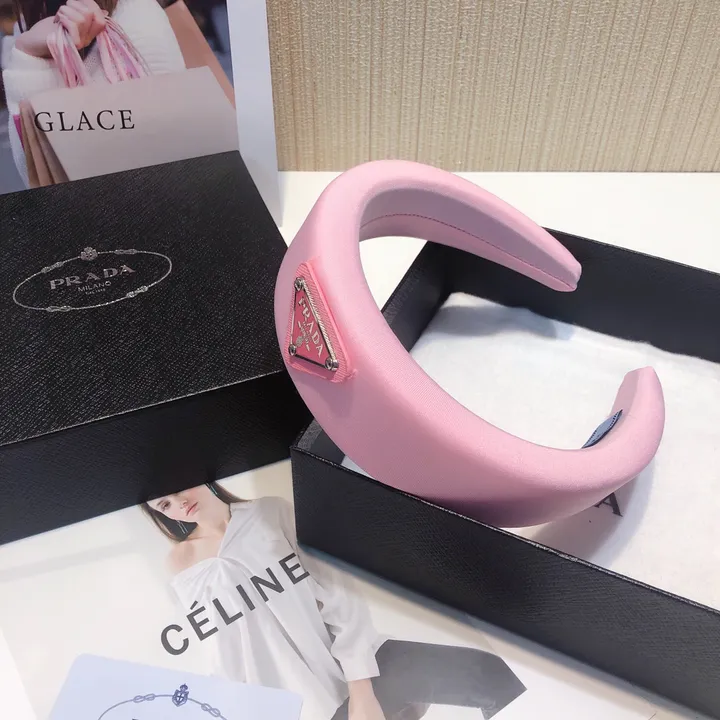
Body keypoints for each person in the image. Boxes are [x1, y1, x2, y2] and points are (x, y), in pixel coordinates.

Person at [144, 483, 527, 720]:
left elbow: (339, 596)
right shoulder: (181, 564)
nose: (179, 503)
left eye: (178, 488)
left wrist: (361, 694)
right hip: (305, 705)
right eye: (165, 505)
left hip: (363, 664)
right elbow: (222, 654)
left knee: (490, 675)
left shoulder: (270, 512)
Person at [4, 0, 185, 184]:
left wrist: (30, 61)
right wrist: (28, 55)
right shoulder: (31, 21)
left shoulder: (138, 19)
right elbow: (37, 175)